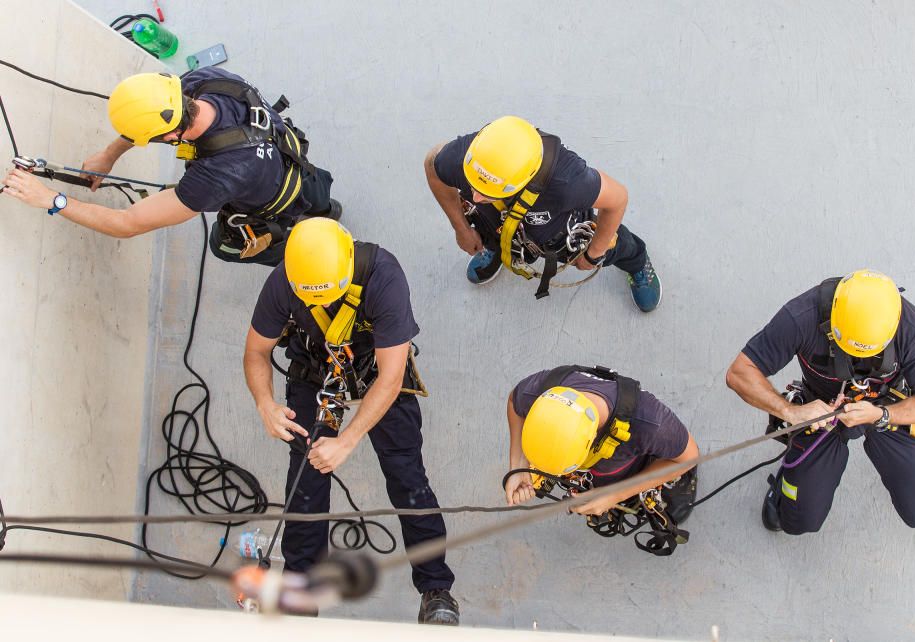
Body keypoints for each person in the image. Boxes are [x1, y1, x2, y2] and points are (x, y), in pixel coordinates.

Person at [242, 217, 458, 624]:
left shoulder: (382, 276)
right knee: (306, 481)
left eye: (328, 297)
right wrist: (265, 403)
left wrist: (348, 438)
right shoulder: (285, 280)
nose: (321, 305)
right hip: (316, 370)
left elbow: (391, 375)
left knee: (407, 476)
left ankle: (436, 589)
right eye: (313, 300)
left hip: (374, 370)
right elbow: (256, 351)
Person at [3, 68, 340, 266]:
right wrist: (110, 154)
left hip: (273, 199)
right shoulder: (202, 82)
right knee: (318, 195)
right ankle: (329, 209)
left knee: (223, 246)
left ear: (170, 136)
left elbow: (127, 223)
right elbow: (155, 116)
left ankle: (309, 254)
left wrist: (51, 200)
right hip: (293, 158)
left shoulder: (214, 176)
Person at [725, 269, 915, 534]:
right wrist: (792, 411)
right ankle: (792, 473)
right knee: (797, 521)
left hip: (888, 406)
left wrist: (880, 415)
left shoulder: (914, 331)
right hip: (821, 412)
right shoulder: (802, 317)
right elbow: (739, 372)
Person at [425, 115, 661, 310]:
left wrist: (593, 254)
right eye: (474, 185)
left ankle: (638, 263)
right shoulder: (462, 160)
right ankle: (499, 250)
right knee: (493, 234)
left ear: (523, 181)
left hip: (562, 233)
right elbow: (432, 166)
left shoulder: (567, 181)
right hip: (493, 222)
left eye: (489, 191)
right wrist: (462, 228)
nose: (475, 196)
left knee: (618, 245)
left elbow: (617, 199)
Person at [504, 365, 698, 554]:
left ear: (591, 439)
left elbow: (689, 457)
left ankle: (676, 483)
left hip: (633, 466)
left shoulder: (650, 423)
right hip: (599, 470)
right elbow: (514, 402)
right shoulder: (540, 390)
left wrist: (616, 495)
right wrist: (519, 466)